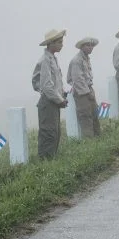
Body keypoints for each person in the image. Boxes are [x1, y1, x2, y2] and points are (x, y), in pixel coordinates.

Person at [33, 29, 68, 159]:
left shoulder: (52, 58)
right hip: (48, 102)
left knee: (55, 133)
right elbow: (46, 86)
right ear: (51, 43)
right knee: (49, 134)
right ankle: (44, 164)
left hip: (54, 101)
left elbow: (56, 82)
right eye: (59, 42)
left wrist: (62, 94)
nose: (62, 45)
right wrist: (60, 99)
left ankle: (51, 161)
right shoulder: (45, 60)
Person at [69, 37, 101, 137]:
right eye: (88, 45)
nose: (90, 47)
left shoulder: (86, 58)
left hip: (88, 89)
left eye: (92, 45)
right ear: (82, 47)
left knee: (94, 115)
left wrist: (90, 91)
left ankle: (97, 139)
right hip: (82, 93)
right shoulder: (77, 60)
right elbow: (78, 80)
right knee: (86, 117)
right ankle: (90, 142)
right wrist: (88, 93)